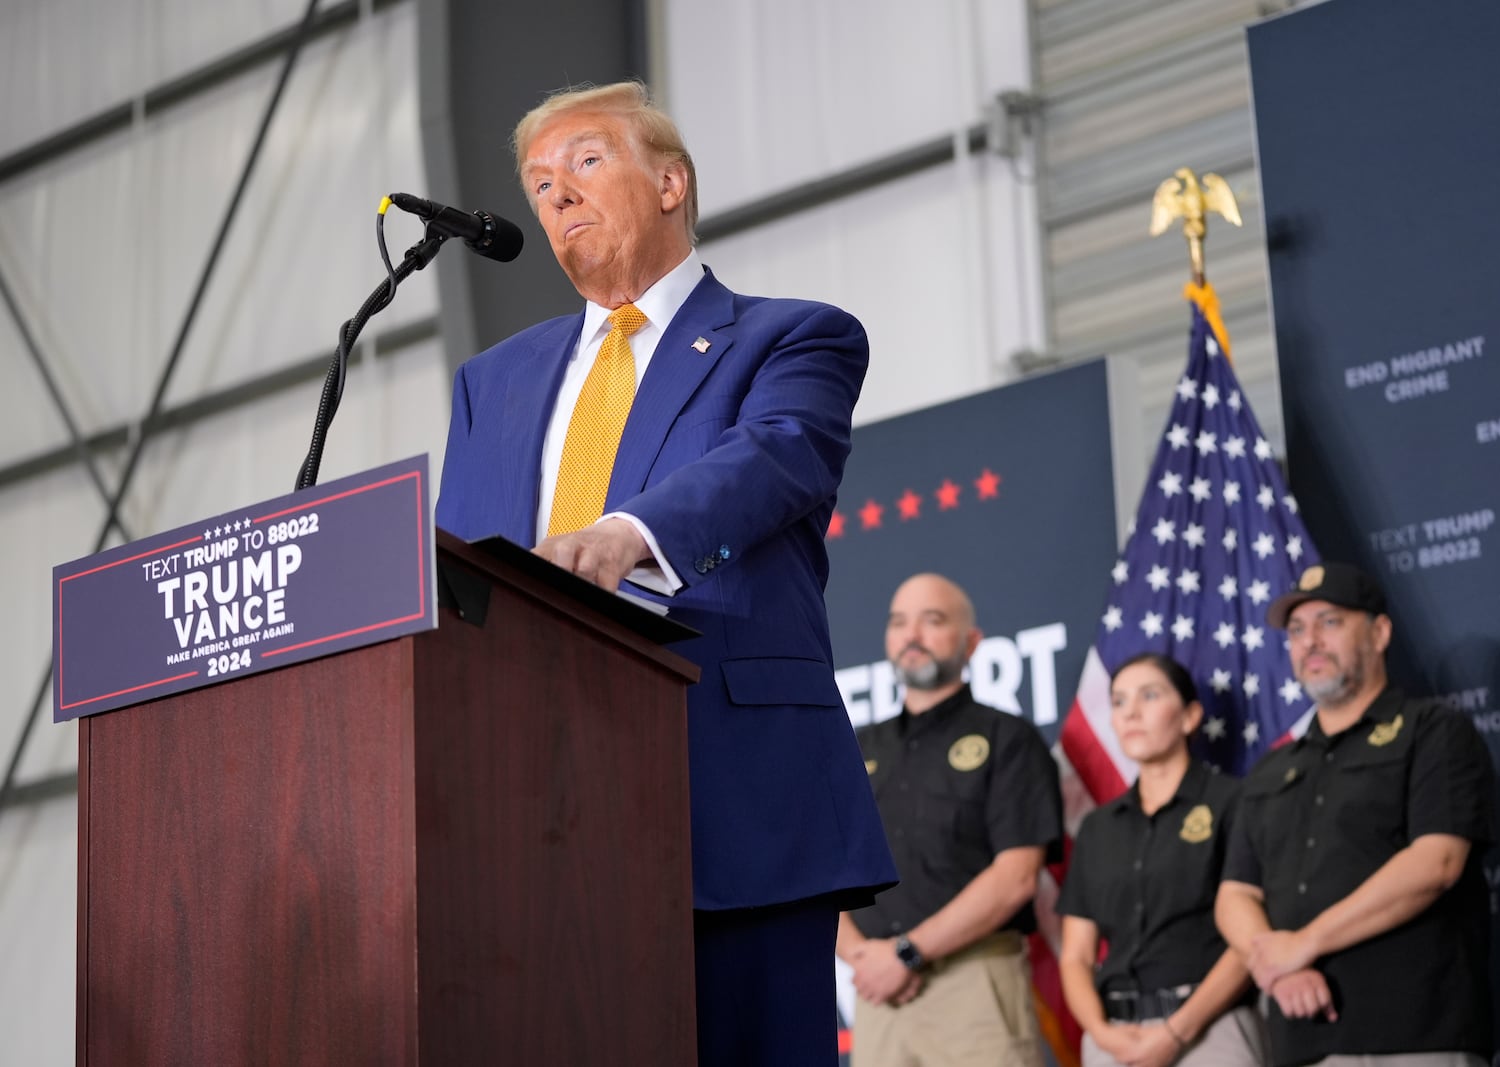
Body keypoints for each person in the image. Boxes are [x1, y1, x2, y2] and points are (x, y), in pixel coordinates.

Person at [433, 81, 896, 1066]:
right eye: (539, 183)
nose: (557, 194)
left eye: (586, 162)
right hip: (529, 811)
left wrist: (629, 531)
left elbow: (778, 459)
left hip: (730, 791)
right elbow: (460, 565)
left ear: (671, 181)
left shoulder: (791, 336)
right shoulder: (492, 382)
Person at [1214, 562, 1496, 1067]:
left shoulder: (1433, 732)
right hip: (1301, 1045)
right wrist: (1279, 967)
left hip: (1415, 1036)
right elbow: (1235, 893)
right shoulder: (1272, 770)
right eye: (1297, 630)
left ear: (1380, 632)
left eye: (1330, 622)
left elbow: (1437, 862)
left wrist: (1305, 943)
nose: (1310, 642)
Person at [837, 573, 1063, 1067]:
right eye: (899, 623)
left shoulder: (1009, 738)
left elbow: (1018, 877)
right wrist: (861, 957)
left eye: (932, 620)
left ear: (972, 642)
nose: (911, 634)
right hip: (876, 994)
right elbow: (823, 869)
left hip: (974, 984)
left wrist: (907, 953)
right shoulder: (856, 747)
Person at [1056, 653, 1266, 1067]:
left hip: (1211, 1030)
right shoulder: (1098, 828)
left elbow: (1251, 938)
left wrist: (1177, 1031)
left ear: (1190, 716)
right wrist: (1100, 1034)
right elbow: (1076, 955)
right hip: (1115, 1040)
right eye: (1118, 701)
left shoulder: (1234, 803)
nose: (1131, 712)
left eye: (1149, 696)